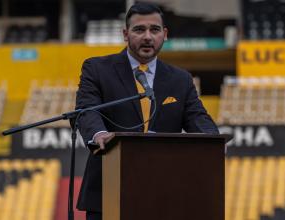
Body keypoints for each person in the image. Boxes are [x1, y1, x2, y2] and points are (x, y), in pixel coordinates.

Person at [74, 2, 219, 220]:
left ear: (165, 34)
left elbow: (197, 118)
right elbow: (86, 109)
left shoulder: (180, 79)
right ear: (125, 34)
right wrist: (98, 134)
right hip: (108, 191)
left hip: (163, 194)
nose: (148, 37)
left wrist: (212, 141)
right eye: (139, 30)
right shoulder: (97, 69)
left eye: (155, 30)